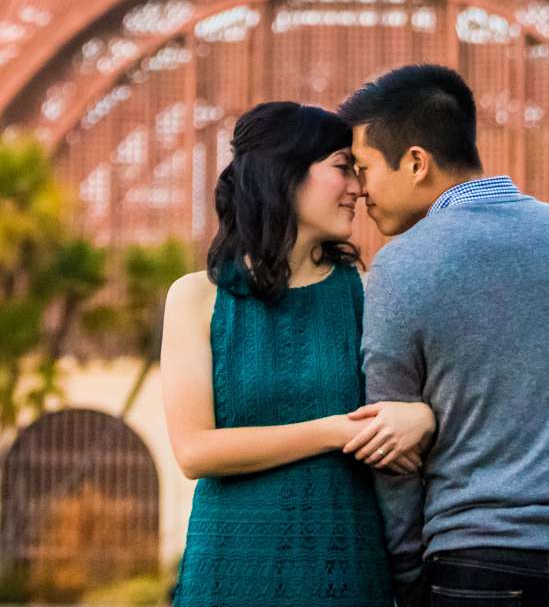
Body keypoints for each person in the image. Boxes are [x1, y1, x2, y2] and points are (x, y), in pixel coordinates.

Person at [343, 64, 549, 607]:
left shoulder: (401, 267)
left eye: (365, 168)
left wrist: (409, 576)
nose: (361, 190)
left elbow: (388, 445)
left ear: (416, 162)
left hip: (473, 567)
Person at [163, 101, 439, 607]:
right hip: (229, 568)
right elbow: (195, 451)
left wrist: (420, 416)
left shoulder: (372, 293)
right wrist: (336, 431)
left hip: (348, 566)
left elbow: (415, 416)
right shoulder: (195, 297)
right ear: (284, 174)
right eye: (342, 168)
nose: (359, 188)